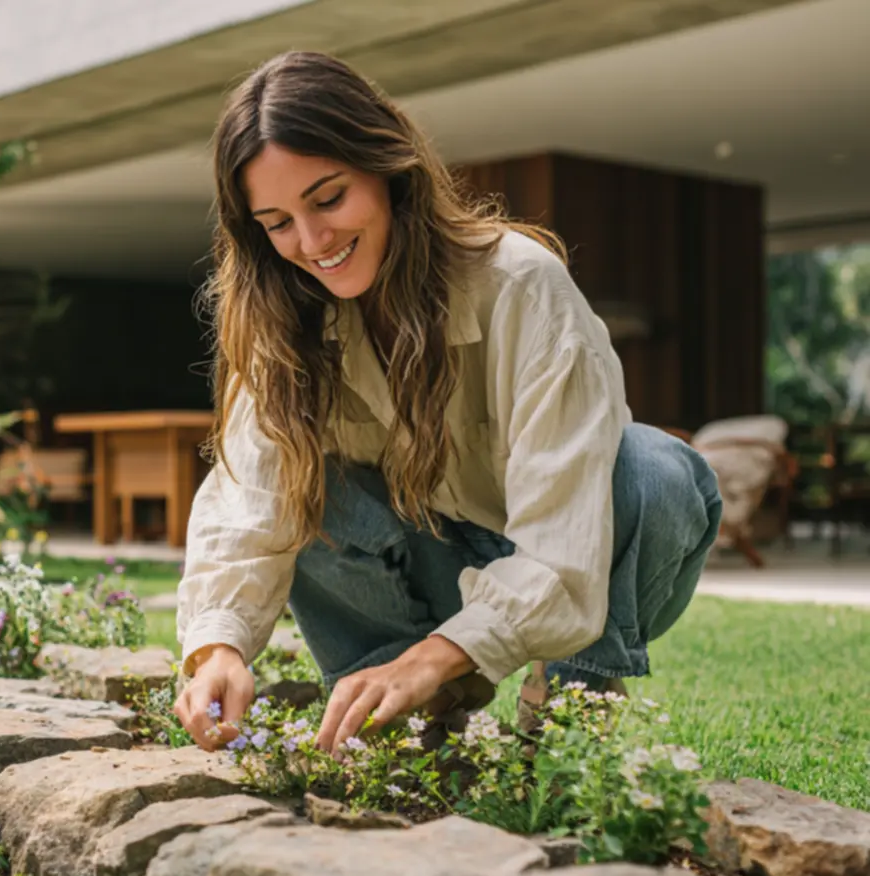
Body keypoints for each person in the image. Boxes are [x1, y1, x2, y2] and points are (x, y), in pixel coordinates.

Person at [171, 50, 723, 756]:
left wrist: (443, 650)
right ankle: (403, 716)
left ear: (389, 170)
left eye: (329, 198)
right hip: (429, 563)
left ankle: (572, 700)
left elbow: (564, 545)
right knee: (307, 483)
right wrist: (216, 646)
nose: (311, 243)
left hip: (575, 562)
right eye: (277, 222)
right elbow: (251, 502)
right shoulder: (278, 319)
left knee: (658, 470)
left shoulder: (523, 286)